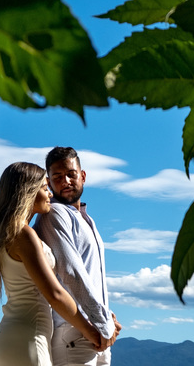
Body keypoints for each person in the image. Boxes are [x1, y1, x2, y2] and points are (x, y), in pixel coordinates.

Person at [0, 162, 111, 366]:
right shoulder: (24, 234)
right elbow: (55, 293)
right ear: (28, 192)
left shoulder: (5, 234)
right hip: (29, 337)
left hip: (8, 337)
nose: (50, 194)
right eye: (45, 188)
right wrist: (92, 331)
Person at [33, 147, 121, 366]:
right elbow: (71, 273)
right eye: (57, 177)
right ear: (48, 182)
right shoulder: (54, 214)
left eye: (71, 174)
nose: (66, 181)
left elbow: (91, 276)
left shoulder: (86, 219)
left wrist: (107, 316)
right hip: (73, 331)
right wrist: (104, 324)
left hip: (95, 332)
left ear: (82, 176)